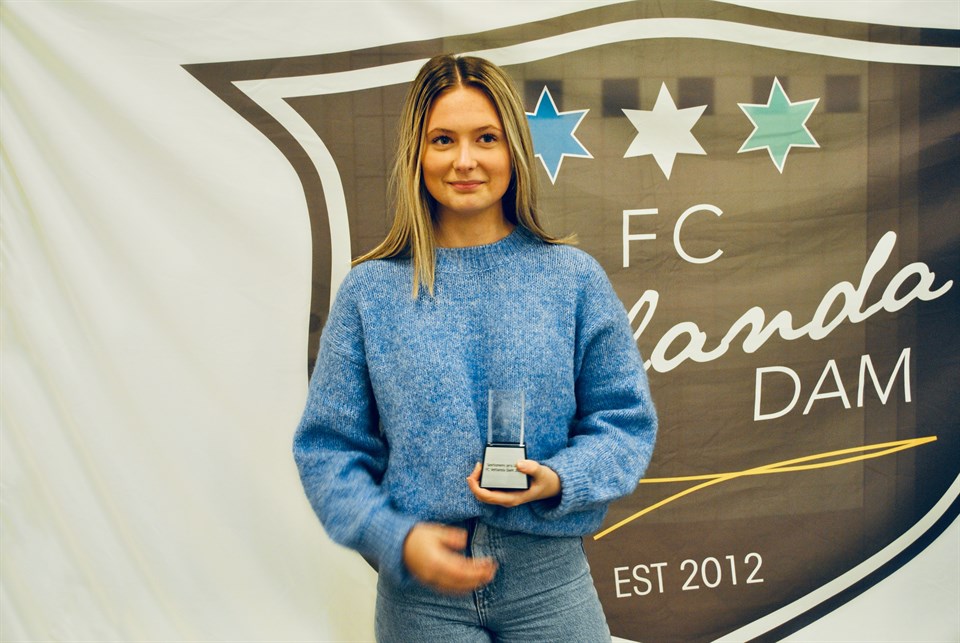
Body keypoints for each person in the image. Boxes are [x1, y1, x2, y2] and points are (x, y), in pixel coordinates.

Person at [293, 53, 657, 642]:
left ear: (513, 149)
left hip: (550, 585)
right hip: (421, 599)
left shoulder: (572, 279)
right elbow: (328, 450)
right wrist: (396, 538)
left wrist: (557, 478)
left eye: (486, 138)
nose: (465, 160)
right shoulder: (370, 291)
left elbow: (625, 422)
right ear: (417, 154)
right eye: (443, 140)